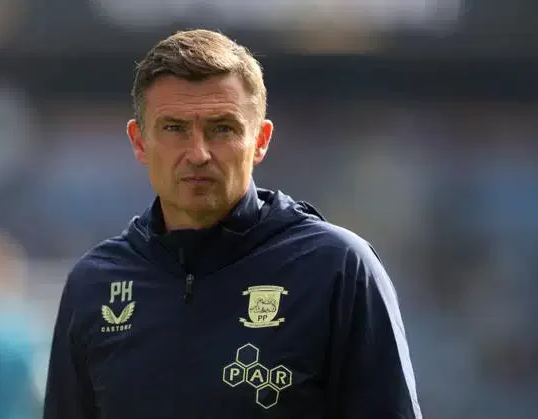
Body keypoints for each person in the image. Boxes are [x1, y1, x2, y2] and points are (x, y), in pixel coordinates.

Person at [43, 29, 422, 419]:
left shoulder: (337, 269)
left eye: (221, 128)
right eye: (174, 128)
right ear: (139, 141)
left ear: (260, 140)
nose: (198, 153)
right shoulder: (94, 285)